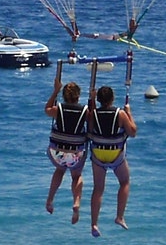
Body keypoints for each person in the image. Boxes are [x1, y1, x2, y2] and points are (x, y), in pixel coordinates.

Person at [83, 84, 137, 236]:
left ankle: (94, 224)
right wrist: (129, 113)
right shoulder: (120, 114)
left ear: (99, 100)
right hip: (115, 154)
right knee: (125, 182)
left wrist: (91, 100)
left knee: (98, 188)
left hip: (99, 154)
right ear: (112, 99)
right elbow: (132, 132)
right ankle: (119, 216)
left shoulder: (93, 114)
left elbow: (90, 128)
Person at [43, 80, 88, 219]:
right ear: (78, 96)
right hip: (75, 154)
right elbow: (92, 122)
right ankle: (76, 202)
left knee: (60, 170)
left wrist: (55, 91)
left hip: (56, 153)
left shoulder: (58, 110)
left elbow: (47, 110)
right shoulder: (85, 111)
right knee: (76, 176)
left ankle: (50, 199)